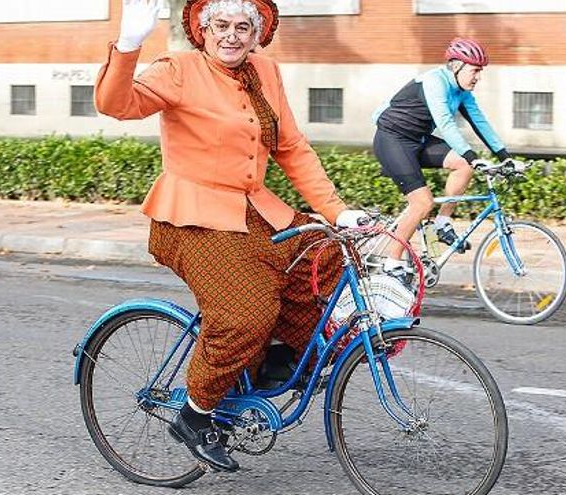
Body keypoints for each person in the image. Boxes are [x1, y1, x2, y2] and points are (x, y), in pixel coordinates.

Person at [94, 0, 367, 473]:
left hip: (255, 211)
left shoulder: (266, 71)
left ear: (257, 33)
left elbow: (292, 148)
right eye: (221, 25)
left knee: (323, 254)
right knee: (245, 313)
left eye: (244, 27)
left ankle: (272, 359)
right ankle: (195, 414)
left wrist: (337, 212)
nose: (232, 35)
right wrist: (129, 44)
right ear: (202, 29)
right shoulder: (178, 70)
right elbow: (116, 105)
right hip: (191, 218)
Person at [371, 38, 521, 279]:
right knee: (422, 203)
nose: (478, 77)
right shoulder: (434, 81)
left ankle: (442, 223)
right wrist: (472, 156)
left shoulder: (462, 92)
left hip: (418, 141)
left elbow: (479, 122)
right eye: (474, 70)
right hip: (392, 140)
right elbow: (445, 123)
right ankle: (392, 262)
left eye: (480, 71)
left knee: (462, 166)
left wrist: (505, 157)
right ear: (457, 67)